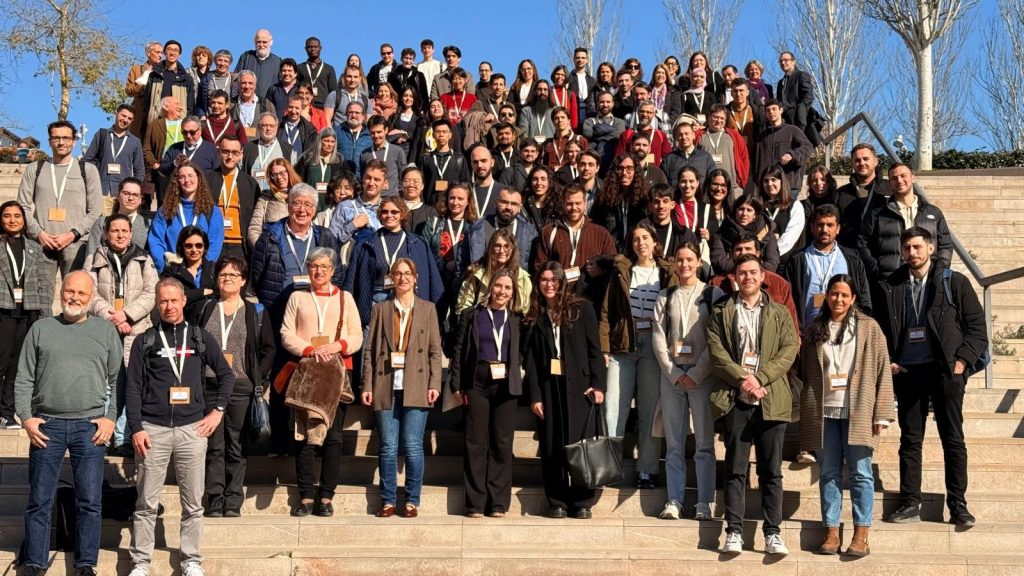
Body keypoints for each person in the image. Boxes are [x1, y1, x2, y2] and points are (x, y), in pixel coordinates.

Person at [877, 228, 987, 527]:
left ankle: (958, 505)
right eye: (906, 248)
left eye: (916, 247)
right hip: (908, 372)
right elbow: (880, 329)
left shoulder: (955, 282)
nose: (911, 253)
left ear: (931, 248)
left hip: (944, 371)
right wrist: (889, 361)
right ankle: (910, 502)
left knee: (952, 438)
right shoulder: (891, 286)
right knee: (910, 440)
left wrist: (961, 361)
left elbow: (977, 328)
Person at [124, 278, 234, 576]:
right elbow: (132, 388)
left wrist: (217, 412)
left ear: (184, 301)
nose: (169, 306)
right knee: (146, 503)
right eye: (163, 301)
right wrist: (136, 427)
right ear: (156, 304)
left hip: (192, 430)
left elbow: (226, 375)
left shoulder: (199, 336)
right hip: (152, 430)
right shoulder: (145, 341)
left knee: (193, 503)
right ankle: (141, 562)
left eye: (174, 300)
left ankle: (191, 560)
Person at [15, 271, 121, 576]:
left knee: (89, 501)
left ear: (91, 297)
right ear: (62, 291)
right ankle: (35, 562)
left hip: (90, 426)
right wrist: (26, 418)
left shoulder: (105, 331)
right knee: (39, 500)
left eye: (81, 293)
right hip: (46, 425)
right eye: (70, 291)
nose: (74, 297)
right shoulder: (41, 329)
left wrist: (110, 418)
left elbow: (118, 379)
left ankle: (85, 564)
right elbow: (23, 378)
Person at [707, 254, 799, 556]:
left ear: (762, 277)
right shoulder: (721, 310)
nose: (747, 277)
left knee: (771, 471)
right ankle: (733, 530)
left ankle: (773, 532)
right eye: (742, 273)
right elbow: (716, 352)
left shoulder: (779, 312)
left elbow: (789, 350)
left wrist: (760, 378)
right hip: (736, 399)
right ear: (734, 277)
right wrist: (743, 380)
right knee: (735, 469)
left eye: (752, 272)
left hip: (771, 399)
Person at [800, 274, 895, 556]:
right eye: (833, 293)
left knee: (861, 474)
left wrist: (882, 414)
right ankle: (831, 531)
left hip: (859, 411)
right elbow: (807, 372)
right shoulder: (815, 328)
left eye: (844, 295)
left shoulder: (869, 327)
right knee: (828, 473)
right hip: (825, 411)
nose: (838, 299)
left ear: (853, 298)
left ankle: (861, 534)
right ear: (826, 296)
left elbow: (883, 369)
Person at [280, 248, 362, 517]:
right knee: (304, 435)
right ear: (308, 269)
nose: (318, 271)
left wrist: (337, 346)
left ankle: (326, 496)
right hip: (307, 372)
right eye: (314, 266)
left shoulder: (345, 298)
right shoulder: (297, 297)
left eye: (324, 267)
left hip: (336, 373)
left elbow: (356, 335)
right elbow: (286, 333)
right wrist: (309, 349)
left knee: (333, 436)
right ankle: (305, 495)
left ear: (333, 270)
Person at [193, 256, 274, 518]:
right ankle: (215, 498)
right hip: (210, 385)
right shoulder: (205, 308)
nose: (227, 278)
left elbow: (269, 348)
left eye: (233, 275)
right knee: (214, 445)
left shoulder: (255, 311)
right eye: (223, 274)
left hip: (241, 386)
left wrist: (257, 377)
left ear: (243, 280)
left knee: (236, 445)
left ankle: (233, 499)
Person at [361, 258, 442, 518]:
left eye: (408, 273)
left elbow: (435, 352)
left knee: (413, 445)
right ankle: (387, 500)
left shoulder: (428, 309)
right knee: (387, 445)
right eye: (398, 273)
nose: (403, 278)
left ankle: (411, 501)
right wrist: (367, 384)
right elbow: (369, 350)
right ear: (391, 278)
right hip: (385, 383)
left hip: (417, 385)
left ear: (416, 278)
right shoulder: (381, 309)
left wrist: (435, 383)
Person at [525, 262, 606, 519]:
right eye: (544, 280)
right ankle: (557, 500)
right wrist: (535, 396)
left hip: (581, 387)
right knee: (552, 444)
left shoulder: (582, 308)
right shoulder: (536, 315)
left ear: (562, 282)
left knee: (581, 444)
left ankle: (582, 500)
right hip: (550, 386)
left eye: (554, 280)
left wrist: (599, 384)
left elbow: (595, 350)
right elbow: (532, 362)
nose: (549, 284)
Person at [601, 222, 677, 489]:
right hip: (623, 347)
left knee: (649, 411)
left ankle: (646, 469)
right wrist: (604, 348)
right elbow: (606, 312)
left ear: (655, 242)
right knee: (613, 409)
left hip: (653, 348)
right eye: (635, 239)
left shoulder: (667, 272)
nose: (640, 243)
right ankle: (609, 468)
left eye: (645, 238)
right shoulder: (622, 270)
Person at [652, 243, 721, 520]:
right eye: (680, 260)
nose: (684, 265)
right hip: (672, 376)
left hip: (701, 377)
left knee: (704, 444)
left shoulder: (712, 294)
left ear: (699, 262)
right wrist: (673, 372)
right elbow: (658, 338)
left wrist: (696, 373)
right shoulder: (665, 296)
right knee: (674, 445)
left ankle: (705, 501)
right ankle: (674, 500)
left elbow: (716, 338)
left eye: (690, 259)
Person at [452, 269, 523, 518]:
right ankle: (475, 502)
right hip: (477, 383)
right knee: (475, 442)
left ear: (513, 292)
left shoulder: (517, 319)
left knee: (502, 443)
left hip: (506, 386)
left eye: (507, 288)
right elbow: (459, 350)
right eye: (498, 286)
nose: (502, 291)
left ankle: (498, 502)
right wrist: (456, 383)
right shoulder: (472, 315)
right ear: (490, 287)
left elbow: (522, 351)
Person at [83, 214, 159, 448]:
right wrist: (112, 317)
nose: (120, 235)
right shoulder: (94, 259)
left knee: (131, 383)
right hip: (104, 329)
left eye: (124, 231)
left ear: (131, 233)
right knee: (106, 384)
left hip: (136, 330)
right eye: (115, 230)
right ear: (106, 233)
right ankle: (103, 435)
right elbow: (88, 293)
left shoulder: (144, 259)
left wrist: (126, 314)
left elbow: (152, 292)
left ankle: (123, 438)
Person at [17, 120, 103, 276]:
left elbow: (96, 210)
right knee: (40, 291)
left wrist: (72, 234)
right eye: (56, 138)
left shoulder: (88, 170)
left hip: (76, 243)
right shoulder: (35, 168)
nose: (61, 142)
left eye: (66, 138)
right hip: (41, 242)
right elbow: (22, 206)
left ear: (74, 141)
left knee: (73, 291)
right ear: (49, 141)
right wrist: (39, 234)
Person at [345, 197, 443, 327]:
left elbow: (432, 280)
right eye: (384, 212)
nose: (389, 215)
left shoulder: (418, 244)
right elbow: (351, 282)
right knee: (374, 339)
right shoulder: (365, 244)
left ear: (402, 214)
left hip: (408, 302)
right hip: (374, 303)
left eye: (394, 212)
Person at [0, 202, 53, 430]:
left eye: (17, 216)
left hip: (27, 312)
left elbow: (44, 282)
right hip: (3, 311)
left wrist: (46, 314)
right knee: (1, 363)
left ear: (24, 220)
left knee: (16, 365)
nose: (12, 220)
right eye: (7, 216)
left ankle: (7, 412)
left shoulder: (34, 247)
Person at [250, 184, 343, 309]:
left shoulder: (325, 236)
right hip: (278, 309)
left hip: (316, 308)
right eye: (297, 203)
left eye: (308, 204)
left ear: (314, 210)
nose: (302, 209)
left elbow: (337, 273)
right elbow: (257, 277)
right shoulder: (269, 237)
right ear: (289, 206)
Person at [858, 163, 953, 281]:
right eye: (894, 178)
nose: (899, 180)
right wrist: (877, 269)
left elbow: (946, 246)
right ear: (890, 183)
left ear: (913, 178)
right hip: (891, 281)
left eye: (903, 176)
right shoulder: (878, 214)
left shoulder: (933, 213)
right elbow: (862, 243)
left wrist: (939, 270)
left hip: (927, 279)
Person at [785, 203, 871, 330]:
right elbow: (788, 300)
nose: (824, 230)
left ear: (838, 228)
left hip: (846, 331)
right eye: (820, 224)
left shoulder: (852, 258)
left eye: (830, 225)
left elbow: (864, 296)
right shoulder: (797, 259)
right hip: (808, 331)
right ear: (812, 227)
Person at [531, 185, 617, 304]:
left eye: (578, 203)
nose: (574, 208)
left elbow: (613, 264)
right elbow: (540, 266)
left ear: (585, 204)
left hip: (590, 301)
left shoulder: (600, 233)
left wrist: (602, 269)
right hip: (557, 300)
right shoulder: (549, 232)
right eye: (569, 203)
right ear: (563, 204)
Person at [147, 162, 225, 272]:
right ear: (177, 181)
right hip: (172, 272)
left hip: (200, 273)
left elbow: (214, 245)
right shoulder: (166, 210)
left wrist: (201, 270)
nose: (187, 180)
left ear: (199, 178)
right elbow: (156, 240)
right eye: (182, 177)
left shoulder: (212, 211)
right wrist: (165, 268)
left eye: (190, 175)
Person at [422, 182, 478, 333]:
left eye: (460, 198)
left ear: (468, 201)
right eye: (452, 198)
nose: (455, 202)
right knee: (433, 323)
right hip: (437, 281)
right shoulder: (434, 223)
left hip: (462, 282)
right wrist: (443, 265)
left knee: (458, 324)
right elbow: (424, 252)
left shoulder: (474, 227)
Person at [456, 228, 533, 316]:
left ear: (513, 249)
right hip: (480, 323)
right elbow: (463, 309)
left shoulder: (522, 279)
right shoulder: (476, 275)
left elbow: (524, 312)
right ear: (491, 248)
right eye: (497, 246)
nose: (501, 251)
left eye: (506, 246)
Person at [463, 188, 538, 270]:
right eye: (504, 202)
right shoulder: (476, 229)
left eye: (513, 204)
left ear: (519, 208)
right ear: (496, 202)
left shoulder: (530, 233)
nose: (508, 207)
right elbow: (462, 263)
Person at [751, 100, 813, 198]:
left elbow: (808, 147)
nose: (771, 112)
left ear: (781, 110)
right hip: (767, 188)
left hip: (789, 186)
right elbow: (756, 164)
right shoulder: (761, 138)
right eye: (768, 110)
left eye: (774, 109)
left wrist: (792, 155)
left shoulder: (792, 130)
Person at [83, 104, 146, 199]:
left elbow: (139, 170)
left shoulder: (135, 142)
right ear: (116, 114)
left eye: (129, 118)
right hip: (100, 191)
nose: (125, 120)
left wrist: (133, 190)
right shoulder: (102, 135)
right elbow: (87, 160)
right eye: (123, 115)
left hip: (123, 195)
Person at [591, 153, 650, 253]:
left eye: (629, 168)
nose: (624, 173)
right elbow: (596, 227)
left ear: (635, 171)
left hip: (636, 252)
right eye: (620, 168)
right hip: (611, 252)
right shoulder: (604, 199)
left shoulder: (643, 199)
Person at [836, 143, 890, 248]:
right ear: (852, 164)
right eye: (857, 160)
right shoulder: (841, 193)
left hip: (883, 252)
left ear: (875, 161)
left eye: (866, 159)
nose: (862, 163)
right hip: (851, 252)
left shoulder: (890, 189)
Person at [711, 194, 781, 274]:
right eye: (741, 209)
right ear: (735, 211)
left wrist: (751, 271)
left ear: (755, 214)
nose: (744, 213)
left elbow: (771, 264)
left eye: (749, 210)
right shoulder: (722, 233)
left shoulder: (766, 233)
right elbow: (719, 263)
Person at [85, 178, 151, 259]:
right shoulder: (102, 222)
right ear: (118, 195)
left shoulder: (148, 225)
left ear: (140, 199)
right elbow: (90, 256)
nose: (130, 198)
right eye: (126, 193)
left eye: (135, 195)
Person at [161, 226, 217, 319]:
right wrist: (201, 292)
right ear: (182, 247)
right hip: (181, 321)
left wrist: (187, 294)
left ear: (204, 247)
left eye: (199, 245)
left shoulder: (214, 269)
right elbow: (169, 296)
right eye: (188, 246)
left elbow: (220, 293)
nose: (194, 250)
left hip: (210, 321)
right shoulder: (172, 271)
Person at [247, 158, 301, 249]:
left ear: (289, 172)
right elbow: (254, 230)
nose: (279, 177)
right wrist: (263, 251)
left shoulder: (301, 195)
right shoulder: (265, 198)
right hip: (272, 252)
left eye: (282, 173)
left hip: (297, 250)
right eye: (274, 175)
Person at [760, 165, 806, 263]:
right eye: (766, 181)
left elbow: (789, 238)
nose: (769, 184)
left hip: (786, 262)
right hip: (762, 261)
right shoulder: (759, 207)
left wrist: (770, 254)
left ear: (782, 181)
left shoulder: (795, 206)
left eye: (773, 180)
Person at [142, 40, 195, 125]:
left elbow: (190, 106)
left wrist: (186, 124)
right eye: (169, 49)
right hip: (156, 121)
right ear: (164, 53)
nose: (172, 53)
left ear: (179, 55)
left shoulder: (186, 78)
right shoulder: (154, 75)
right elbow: (146, 103)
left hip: (178, 124)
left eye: (175, 50)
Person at [297, 126, 346, 210]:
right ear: (319, 141)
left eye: (332, 142)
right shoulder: (307, 158)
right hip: (309, 204)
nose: (330, 144)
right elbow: (298, 181)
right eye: (326, 141)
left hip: (331, 205)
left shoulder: (339, 160)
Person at [241, 113, 292, 190]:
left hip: (277, 195)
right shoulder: (248, 148)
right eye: (264, 125)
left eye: (272, 126)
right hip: (253, 194)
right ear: (258, 127)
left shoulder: (287, 149)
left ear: (276, 127)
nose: (268, 129)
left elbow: (292, 176)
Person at [361, 114, 408, 196]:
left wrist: (398, 193)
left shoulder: (397, 151)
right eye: (372, 133)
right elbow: (363, 178)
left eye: (379, 132)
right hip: (372, 198)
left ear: (386, 130)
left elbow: (403, 176)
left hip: (392, 197)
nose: (376, 136)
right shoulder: (365, 154)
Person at [126, 41, 164, 138]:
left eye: (161, 53)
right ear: (148, 53)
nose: (160, 55)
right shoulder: (136, 69)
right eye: (157, 52)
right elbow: (129, 91)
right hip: (139, 113)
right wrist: (143, 81)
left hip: (157, 113)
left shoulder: (164, 72)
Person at [234, 29, 282, 99]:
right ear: (254, 42)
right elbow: (235, 81)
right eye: (258, 42)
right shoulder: (246, 57)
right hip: (246, 101)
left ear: (271, 43)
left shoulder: (278, 61)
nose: (261, 45)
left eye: (264, 42)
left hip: (269, 103)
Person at [776, 51, 814, 130]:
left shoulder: (801, 75)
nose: (783, 63)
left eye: (786, 60)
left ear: (793, 62)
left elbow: (808, 96)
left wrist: (800, 113)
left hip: (799, 120)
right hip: (785, 121)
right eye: (781, 61)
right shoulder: (780, 82)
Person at [297, 37, 337, 110]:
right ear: (305, 49)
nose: (313, 49)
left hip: (324, 107)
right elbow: (296, 89)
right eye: (310, 47)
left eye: (315, 47)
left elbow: (333, 92)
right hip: (304, 107)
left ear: (320, 48)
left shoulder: (329, 69)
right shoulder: (299, 68)